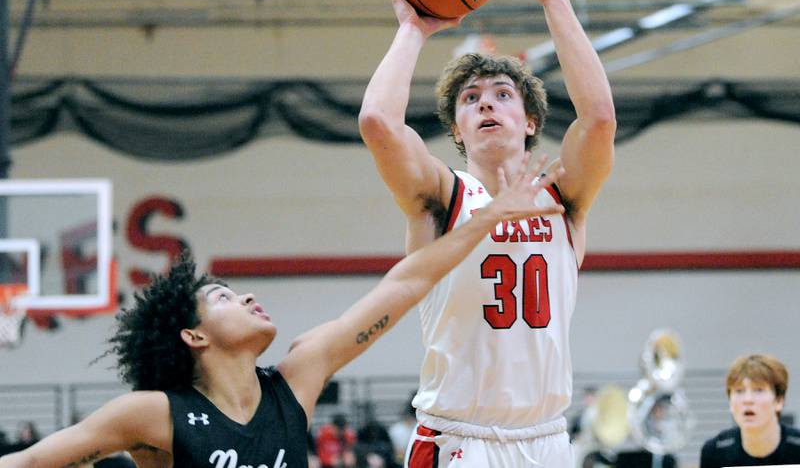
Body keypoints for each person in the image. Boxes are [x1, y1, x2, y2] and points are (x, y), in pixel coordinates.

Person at [0, 158, 563, 468]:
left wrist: (489, 219)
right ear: (193, 335)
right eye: (222, 297)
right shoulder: (153, 414)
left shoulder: (298, 378)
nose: (245, 298)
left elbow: (407, 282)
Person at [359, 0, 616, 467]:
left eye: (502, 94)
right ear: (456, 128)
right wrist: (411, 29)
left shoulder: (562, 197)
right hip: (458, 439)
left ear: (529, 122)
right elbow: (378, 124)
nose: (486, 104)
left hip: (547, 440)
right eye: (471, 100)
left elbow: (598, 119)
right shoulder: (443, 196)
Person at [700, 354, 800, 467]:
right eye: (739, 391)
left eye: (758, 390)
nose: (748, 400)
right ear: (730, 403)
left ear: (779, 401)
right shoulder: (715, 451)